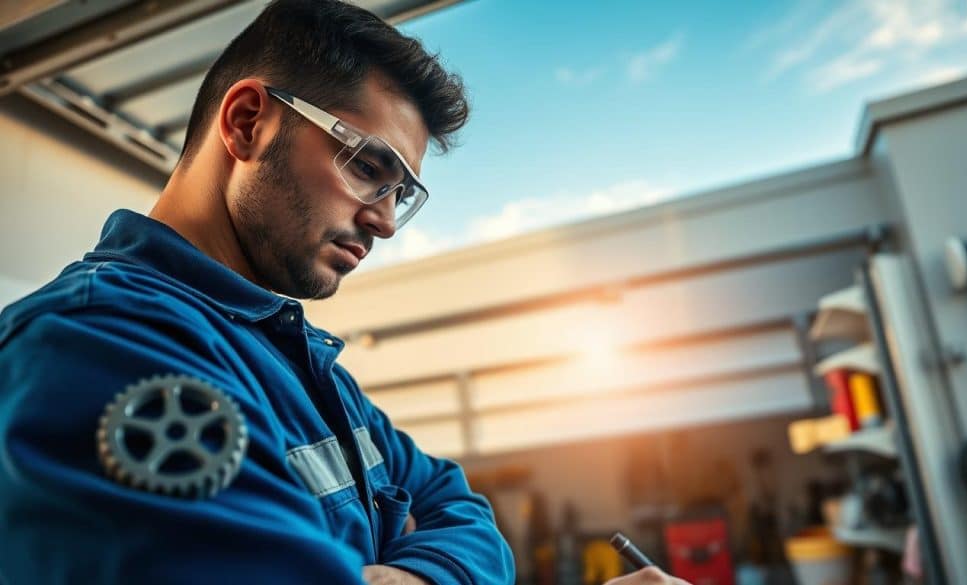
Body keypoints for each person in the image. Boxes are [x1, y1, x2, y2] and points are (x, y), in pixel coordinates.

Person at [0, 1, 695, 583]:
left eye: (402, 193)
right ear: (247, 124)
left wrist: (401, 574)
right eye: (368, 166)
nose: (387, 221)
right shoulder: (95, 344)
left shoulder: (298, 359)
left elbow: (466, 513)